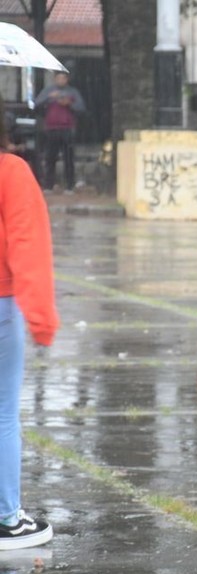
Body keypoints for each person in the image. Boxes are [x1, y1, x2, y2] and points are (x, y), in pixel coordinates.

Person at [0, 102, 59, 550]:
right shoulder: (11, 172)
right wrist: (41, 320)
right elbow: (27, 246)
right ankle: (6, 518)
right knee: (2, 413)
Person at [34, 71, 85, 195]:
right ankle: (48, 185)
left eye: (63, 78)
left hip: (67, 128)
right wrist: (49, 97)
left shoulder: (73, 92)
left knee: (68, 158)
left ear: (67, 79)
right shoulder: (48, 91)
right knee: (50, 158)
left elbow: (81, 108)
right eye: (59, 78)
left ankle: (69, 186)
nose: (61, 80)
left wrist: (69, 104)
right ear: (55, 79)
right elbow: (36, 104)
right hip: (51, 128)